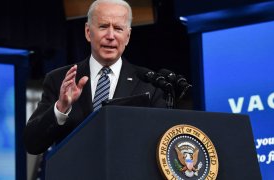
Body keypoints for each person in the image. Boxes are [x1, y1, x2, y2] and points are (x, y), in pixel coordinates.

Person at [24, 0, 167, 155]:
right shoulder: (59, 80)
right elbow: (32, 144)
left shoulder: (150, 84)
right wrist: (61, 107)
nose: (110, 36)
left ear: (127, 36)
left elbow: (160, 147)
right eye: (103, 26)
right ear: (88, 32)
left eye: (118, 28)